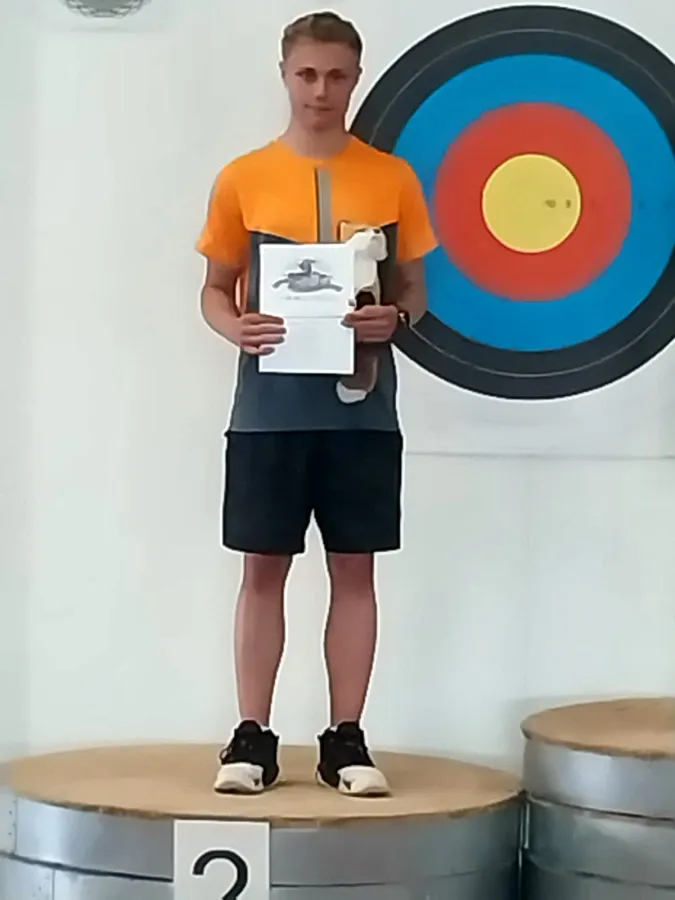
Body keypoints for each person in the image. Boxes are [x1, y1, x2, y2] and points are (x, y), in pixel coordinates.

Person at [196, 11, 437, 796]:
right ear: (284, 75)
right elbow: (213, 289)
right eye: (307, 74)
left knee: (354, 570)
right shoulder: (243, 177)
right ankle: (250, 738)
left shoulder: (392, 178)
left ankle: (346, 740)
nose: (320, 90)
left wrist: (395, 320)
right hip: (267, 413)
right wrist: (236, 326)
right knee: (261, 570)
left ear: (355, 79)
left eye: (336, 75)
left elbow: (414, 291)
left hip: (361, 413)